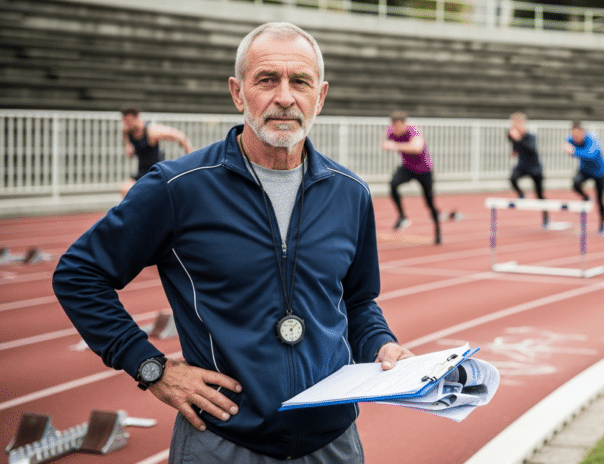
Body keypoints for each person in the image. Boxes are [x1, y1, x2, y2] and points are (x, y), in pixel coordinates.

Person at [53, 22, 414, 463]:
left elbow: (358, 302)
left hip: (333, 443)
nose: (284, 96)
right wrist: (151, 367)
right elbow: (79, 273)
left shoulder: (350, 193)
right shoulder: (178, 187)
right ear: (238, 93)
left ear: (319, 97)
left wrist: (381, 344)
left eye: (299, 81)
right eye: (267, 80)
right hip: (222, 442)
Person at [381, 111, 441, 245]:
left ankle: (438, 232)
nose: (397, 130)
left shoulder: (413, 131)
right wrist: (386, 145)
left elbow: (417, 148)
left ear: (405, 124)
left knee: (429, 202)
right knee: (393, 184)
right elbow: (386, 143)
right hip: (407, 167)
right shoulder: (391, 132)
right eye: (394, 127)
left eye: (399, 126)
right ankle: (402, 216)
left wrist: (394, 145)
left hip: (424, 170)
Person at [119, 104, 192, 197]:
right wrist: (126, 139)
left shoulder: (152, 131)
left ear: (137, 118)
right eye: (124, 121)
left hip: (157, 172)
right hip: (142, 172)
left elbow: (180, 136)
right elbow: (130, 154)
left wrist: (190, 156)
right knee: (125, 189)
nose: (125, 124)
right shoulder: (128, 132)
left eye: (128, 121)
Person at [563, 121, 604, 236]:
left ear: (583, 133)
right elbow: (570, 151)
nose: (576, 138)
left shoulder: (592, 139)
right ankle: (586, 197)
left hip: (599, 172)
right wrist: (570, 151)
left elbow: (591, 154)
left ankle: (602, 225)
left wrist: (573, 151)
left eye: (578, 135)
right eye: (574, 135)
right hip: (584, 170)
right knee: (575, 184)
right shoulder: (569, 139)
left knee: (600, 200)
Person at [507, 112, 548, 228]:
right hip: (522, 166)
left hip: (535, 168)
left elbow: (531, 149)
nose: (514, 126)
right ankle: (521, 195)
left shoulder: (531, 136)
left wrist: (518, 138)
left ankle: (545, 218)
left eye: (517, 123)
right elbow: (514, 145)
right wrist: (514, 150)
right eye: (513, 123)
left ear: (523, 124)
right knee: (512, 178)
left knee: (540, 195)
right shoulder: (513, 136)